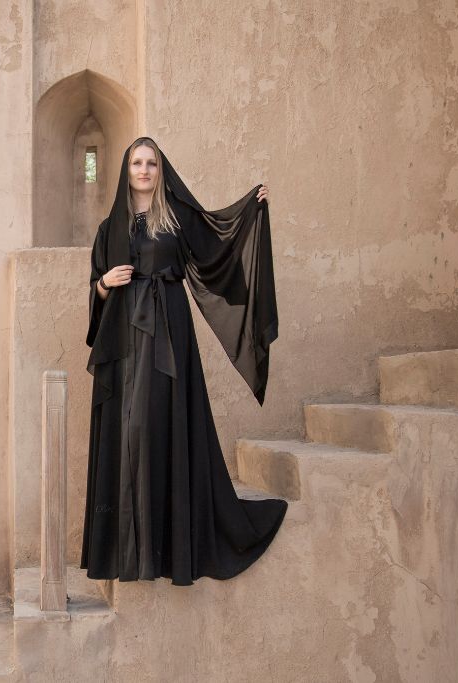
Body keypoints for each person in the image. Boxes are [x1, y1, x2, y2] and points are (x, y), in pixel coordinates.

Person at [81, 136, 287, 586]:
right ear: (126, 169)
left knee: (159, 424)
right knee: (127, 430)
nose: (144, 170)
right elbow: (96, 283)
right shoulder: (109, 227)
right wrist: (104, 284)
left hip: (168, 333)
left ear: (160, 169)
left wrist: (251, 210)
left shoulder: (174, 218)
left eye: (151, 163)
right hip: (124, 338)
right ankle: (128, 551)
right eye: (136, 162)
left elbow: (219, 248)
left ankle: (165, 549)